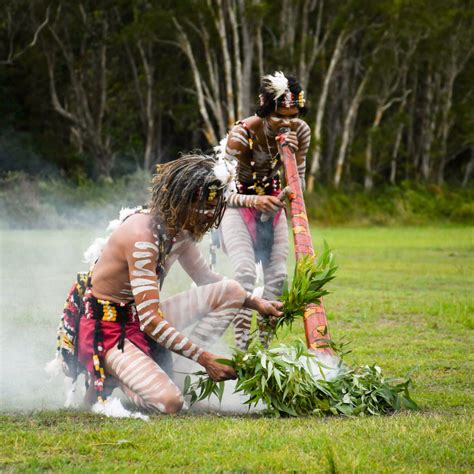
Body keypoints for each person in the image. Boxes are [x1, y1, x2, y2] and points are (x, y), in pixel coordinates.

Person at [55, 154, 282, 414]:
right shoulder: (143, 237)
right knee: (171, 403)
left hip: (139, 318)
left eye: (213, 206)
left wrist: (257, 303)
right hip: (109, 331)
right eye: (202, 205)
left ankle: (183, 375)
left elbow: (206, 279)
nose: (208, 215)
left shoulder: (179, 231)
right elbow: (151, 321)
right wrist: (207, 359)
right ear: (180, 201)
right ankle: (113, 375)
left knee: (232, 291)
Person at [219, 71, 310, 350]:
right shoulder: (241, 134)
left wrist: (290, 158)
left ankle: (264, 350)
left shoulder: (301, 131)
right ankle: (243, 350)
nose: (286, 124)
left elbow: (299, 186)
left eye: (292, 116)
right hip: (238, 206)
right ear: (265, 110)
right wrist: (254, 202)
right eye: (278, 117)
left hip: (274, 204)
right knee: (245, 273)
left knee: (278, 277)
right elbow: (220, 192)